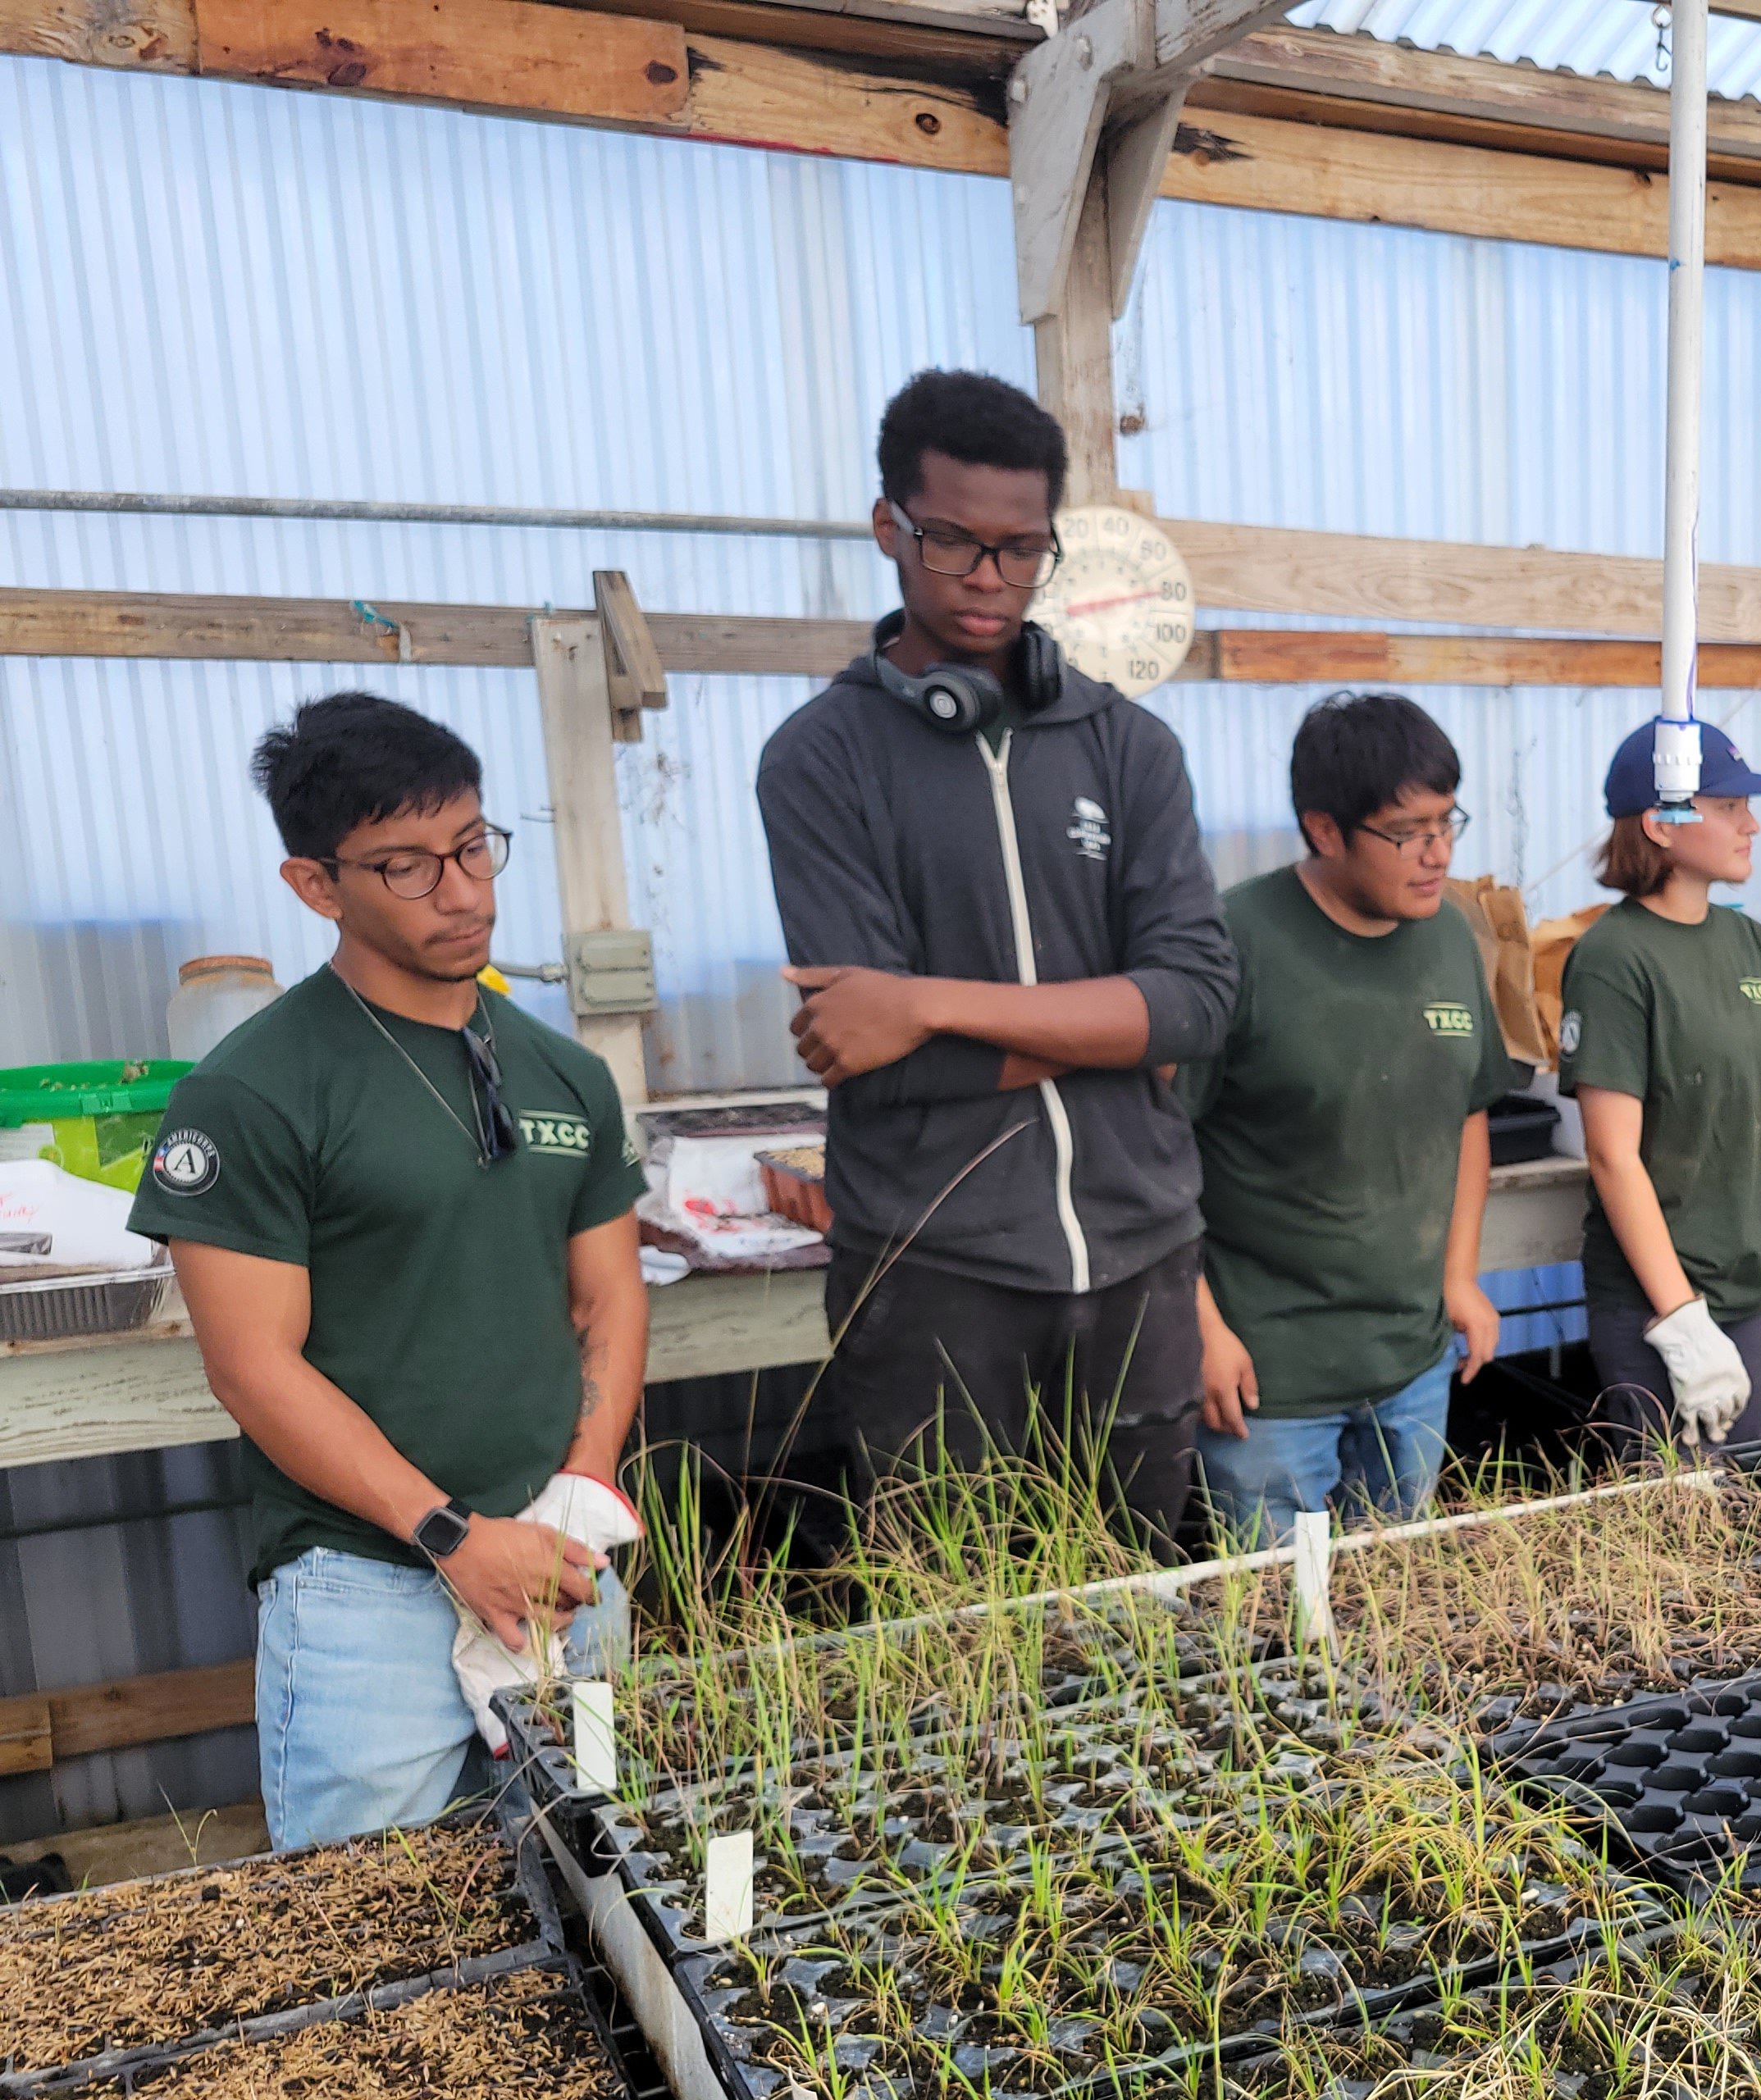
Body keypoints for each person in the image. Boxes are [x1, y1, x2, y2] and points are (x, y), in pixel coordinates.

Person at [130, 695, 648, 1850]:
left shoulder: (561, 1073)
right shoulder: (256, 1090)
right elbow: (252, 1368)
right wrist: (454, 1536)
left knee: (608, 1881)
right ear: (319, 886)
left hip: (564, 1568)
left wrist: (581, 1495)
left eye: (473, 846)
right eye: (407, 867)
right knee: (381, 1939)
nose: (464, 891)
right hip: (371, 1585)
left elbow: (609, 1295)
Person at [758, 370, 1235, 1548]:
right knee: (958, 1647)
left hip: (1142, 1256)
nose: (988, 579)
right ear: (889, 528)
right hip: (933, 1276)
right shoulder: (819, 762)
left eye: (1021, 551)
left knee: (1139, 1612)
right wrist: (1099, 1037)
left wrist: (923, 1002)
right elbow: (881, 1067)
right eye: (954, 543)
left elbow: (1196, 1004)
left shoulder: (1131, 750)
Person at [1177, 695, 1526, 1536]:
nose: (1438, 853)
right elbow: (1151, 1154)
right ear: (1325, 830)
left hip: (1411, 1364)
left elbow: (1467, 1115)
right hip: (1269, 1377)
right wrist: (1198, 1329)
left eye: (1448, 822)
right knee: (1272, 1636)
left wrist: (1457, 1277)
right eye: (1407, 831)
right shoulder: (1232, 946)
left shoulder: (1448, 937)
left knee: (1395, 1606)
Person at [1561, 719, 1761, 1449]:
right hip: (1664, 1303)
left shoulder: (1749, 943)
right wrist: (1681, 1318)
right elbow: (1612, 1156)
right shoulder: (1613, 957)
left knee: (1739, 1506)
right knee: (1666, 1528)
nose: (1751, 823)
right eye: (1727, 807)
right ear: (1660, 823)